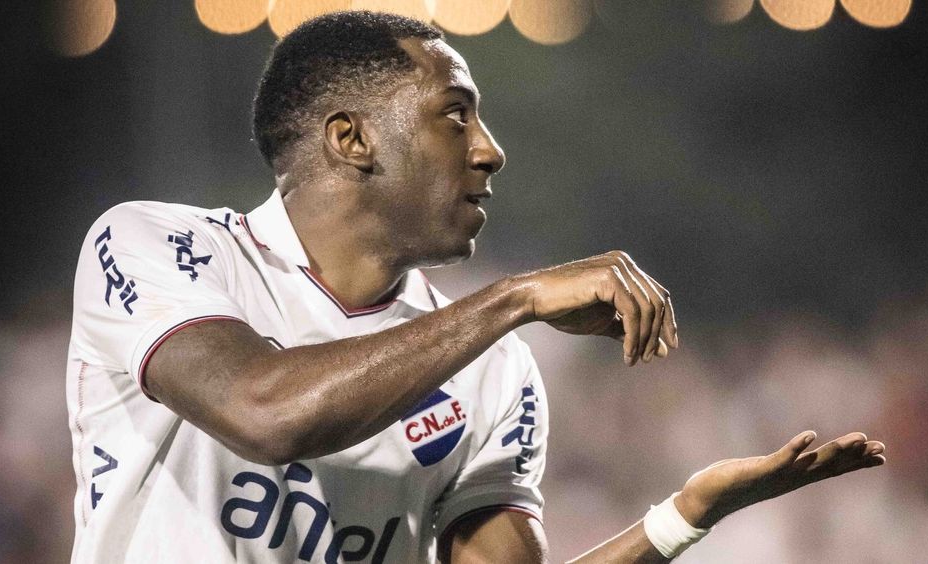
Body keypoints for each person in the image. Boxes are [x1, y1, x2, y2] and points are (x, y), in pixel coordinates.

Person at [66, 11, 885, 563]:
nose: (490, 150)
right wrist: (513, 299)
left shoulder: (494, 371)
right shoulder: (153, 244)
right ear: (350, 139)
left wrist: (684, 517)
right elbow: (265, 413)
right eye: (455, 114)